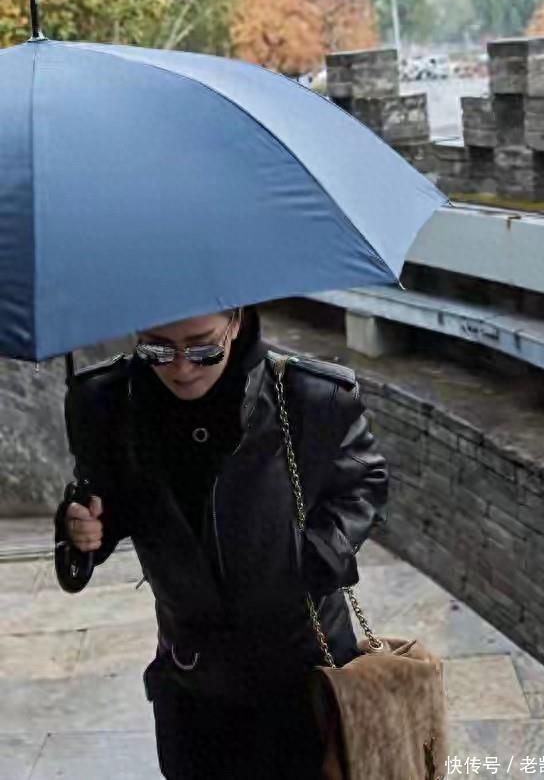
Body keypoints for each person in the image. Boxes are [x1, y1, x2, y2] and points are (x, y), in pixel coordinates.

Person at [54, 304, 389, 779]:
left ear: (235, 320)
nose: (182, 368)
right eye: (157, 349)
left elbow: (364, 481)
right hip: (192, 676)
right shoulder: (106, 402)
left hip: (304, 667)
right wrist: (83, 530)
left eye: (202, 349)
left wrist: (314, 557)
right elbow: (106, 500)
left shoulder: (309, 396)